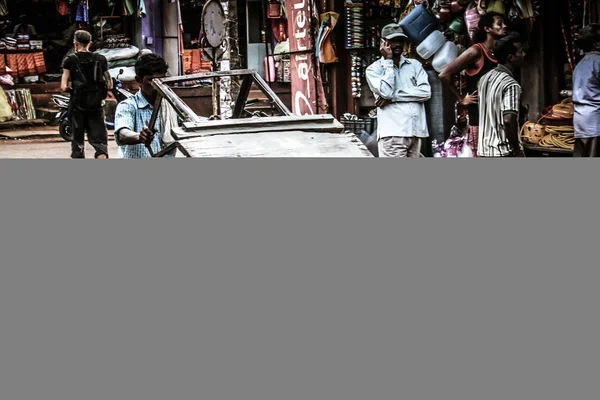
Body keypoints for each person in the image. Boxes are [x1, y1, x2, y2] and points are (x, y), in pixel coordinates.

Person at [439, 12, 507, 156]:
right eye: (499, 23)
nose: (504, 26)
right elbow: (444, 74)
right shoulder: (476, 51)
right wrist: (461, 99)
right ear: (487, 28)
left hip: (495, 121)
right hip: (479, 122)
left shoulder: (496, 52)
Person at [365, 23, 431, 158]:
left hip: (416, 132)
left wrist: (394, 97)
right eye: (392, 41)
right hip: (393, 133)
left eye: (400, 41)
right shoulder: (374, 69)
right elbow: (386, 92)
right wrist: (388, 62)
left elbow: (425, 92)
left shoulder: (414, 65)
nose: (397, 45)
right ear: (383, 43)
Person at [61, 30, 112, 159]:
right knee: (100, 141)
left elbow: (63, 86)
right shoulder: (101, 59)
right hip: (96, 105)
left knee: (77, 141)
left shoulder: (70, 60)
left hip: (77, 105)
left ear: (75, 43)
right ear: (90, 43)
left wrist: (73, 87)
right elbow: (110, 83)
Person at [477, 33, 526, 158]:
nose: (524, 54)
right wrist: (517, 150)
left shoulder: (484, 79)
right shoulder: (511, 84)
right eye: (520, 52)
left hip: (483, 150)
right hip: (502, 151)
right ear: (511, 58)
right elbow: (508, 120)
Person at [114, 53, 170, 158]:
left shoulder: (170, 106)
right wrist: (139, 136)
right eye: (151, 80)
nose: (157, 86)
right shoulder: (128, 106)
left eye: (161, 80)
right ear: (139, 80)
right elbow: (123, 134)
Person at [572, 24, 600, 157]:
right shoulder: (598, 62)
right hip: (595, 122)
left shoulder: (580, 64)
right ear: (597, 44)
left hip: (580, 120)